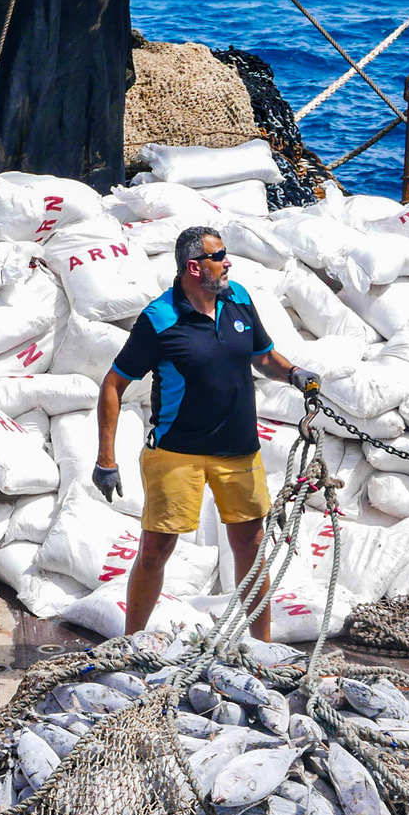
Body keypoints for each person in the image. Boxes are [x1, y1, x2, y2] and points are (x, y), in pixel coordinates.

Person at [94, 226, 319, 641]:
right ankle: (131, 644)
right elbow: (113, 384)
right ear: (194, 267)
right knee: (156, 550)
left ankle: (260, 648)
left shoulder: (238, 300)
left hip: (238, 452)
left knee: (251, 550)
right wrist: (105, 459)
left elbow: (264, 356)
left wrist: (293, 373)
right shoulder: (159, 319)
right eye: (220, 257)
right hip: (177, 453)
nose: (228, 262)